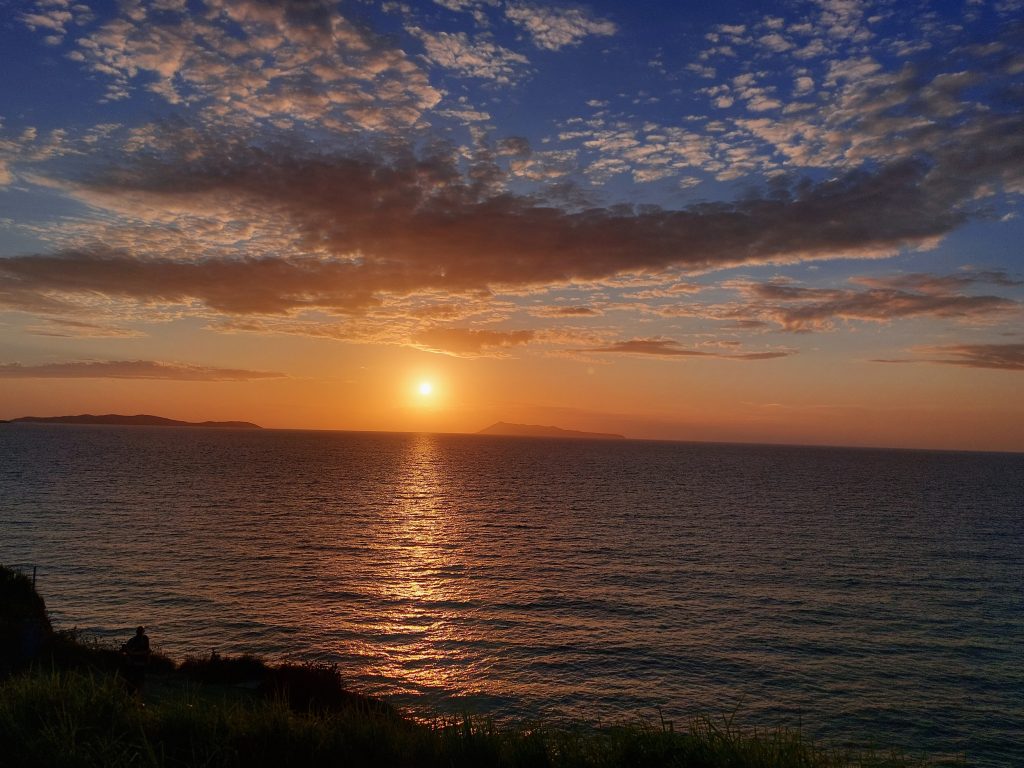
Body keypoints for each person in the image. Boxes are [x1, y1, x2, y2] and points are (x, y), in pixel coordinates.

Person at [121, 625, 150, 698]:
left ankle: (135, 693)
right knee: (136, 679)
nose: (140, 633)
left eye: (141, 632)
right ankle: (133, 693)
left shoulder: (145, 639)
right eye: (140, 632)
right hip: (135, 662)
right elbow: (127, 652)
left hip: (139, 662)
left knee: (139, 679)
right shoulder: (133, 640)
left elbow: (147, 650)